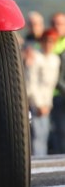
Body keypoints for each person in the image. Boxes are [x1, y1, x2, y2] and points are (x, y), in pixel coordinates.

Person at [25, 28, 60, 156]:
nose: (48, 44)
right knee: (36, 134)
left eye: (51, 42)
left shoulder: (55, 59)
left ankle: (42, 158)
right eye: (46, 41)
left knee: (44, 133)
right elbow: (31, 82)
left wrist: (47, 104)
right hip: (34, 102)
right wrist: (38, 104)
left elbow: (51, 85)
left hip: (46, 102)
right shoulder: (35, 57)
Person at [50, 12, 65, 154]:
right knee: (59, 128)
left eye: (60, 24)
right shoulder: (48, 43)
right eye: (54, 23)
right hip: (54, 94)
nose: (57, 27)